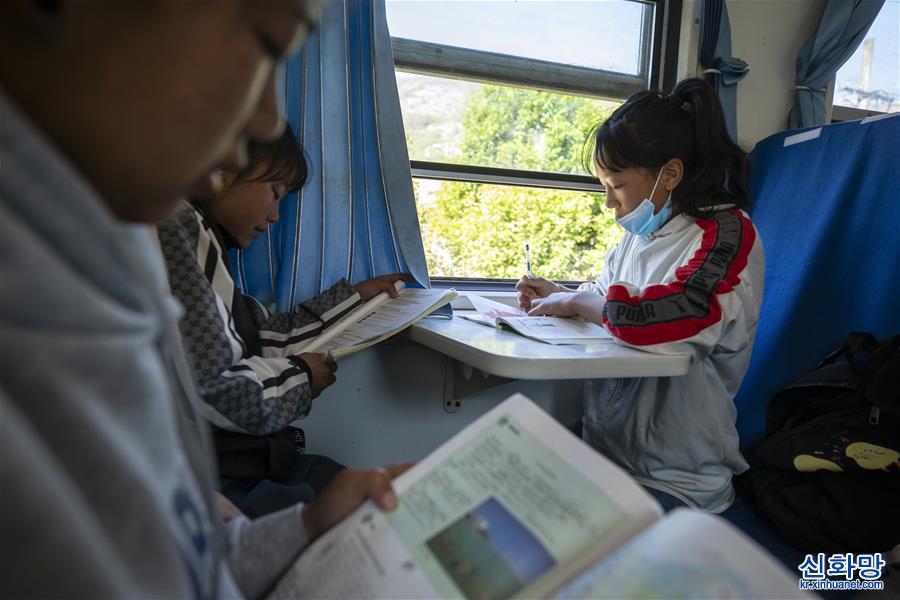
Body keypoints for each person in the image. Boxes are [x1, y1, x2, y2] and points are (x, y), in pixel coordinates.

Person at [0, 1, 404, 597]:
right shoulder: (161, 237)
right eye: (265, 42)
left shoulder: (121, 249)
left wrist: (308, 526)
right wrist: (300, 376)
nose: (264, 119)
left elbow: (188, 563)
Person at [516, 78, 764, 513]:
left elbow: (675, 315)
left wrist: (578, 303)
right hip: (607, 456)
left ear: (669, 174)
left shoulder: (725, 235)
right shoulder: (643, 233)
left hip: (676, 478)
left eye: (616, 185)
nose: (609, 203)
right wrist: (561, 294)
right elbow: (607, 292)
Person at [157, 124, 405, 517]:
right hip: (221, 473)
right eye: (274, 193)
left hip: (239, 462)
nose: (274, 216)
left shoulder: (207, 250)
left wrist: (354, 299)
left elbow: (259, 336)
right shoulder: (179, 227)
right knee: (365, 502)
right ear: (226, 168)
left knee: (353, 488)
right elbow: (214, 389)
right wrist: (301, 379)